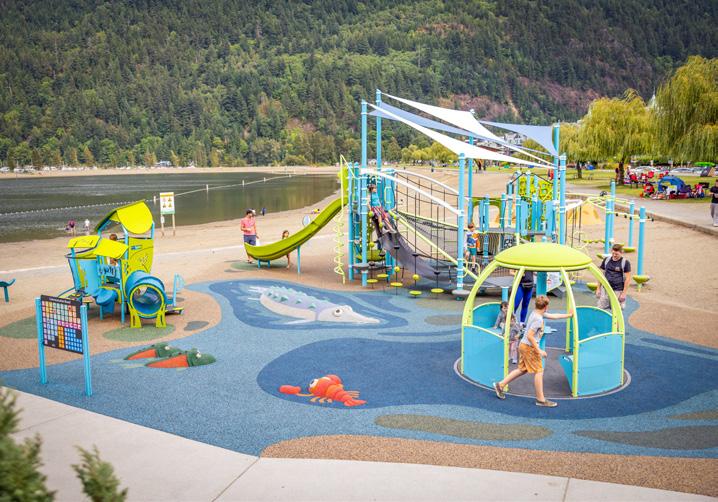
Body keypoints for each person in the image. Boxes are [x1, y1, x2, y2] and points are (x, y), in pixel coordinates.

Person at [493, 295, 574, 407]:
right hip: (529, 347)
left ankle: (500, 385)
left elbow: (553, 316)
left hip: (523, 345)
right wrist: (539, 350)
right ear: (546, 307)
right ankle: (541, 399)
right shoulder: (538, 319)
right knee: (539, 371)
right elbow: (530, 336)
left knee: (522, 369)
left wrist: (568, 315)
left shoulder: (535, 313)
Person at [596, 244, 632, 310]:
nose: (614, 255)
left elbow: (628, 279)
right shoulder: (606, 260)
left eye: (616, 254)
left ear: (621, 253)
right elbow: (601, 275)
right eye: (613, 253)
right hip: (606, 289)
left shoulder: (625, 263)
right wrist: (598, 288)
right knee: (599, 308)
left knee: (617, 310)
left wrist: (624, 293)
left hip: (618, 290)